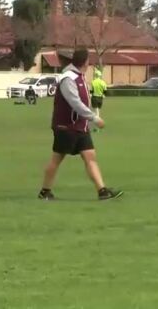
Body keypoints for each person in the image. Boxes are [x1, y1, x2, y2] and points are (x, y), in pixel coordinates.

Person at [38, 48, 123, 201]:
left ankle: (102, 191)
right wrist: (95, 118)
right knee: (57, 158)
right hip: (66, 127)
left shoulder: (79, 77)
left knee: (90, 156)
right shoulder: (68, 78)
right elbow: (75, 103)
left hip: (80, 126)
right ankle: (45, 192)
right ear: (85, 62)